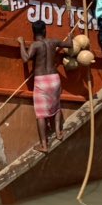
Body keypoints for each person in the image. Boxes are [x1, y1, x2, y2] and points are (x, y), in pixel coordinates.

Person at [18, 22, 72, 152]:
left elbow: (25, 58)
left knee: (41, 114)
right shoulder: (53, 42)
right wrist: (70, 35)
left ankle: (44, 145)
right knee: (56, 106)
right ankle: (59, 133)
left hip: (41, 81)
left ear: (33, 31)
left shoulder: (35, 45)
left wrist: (21, 42)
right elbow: (69, 44)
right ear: (45, 30)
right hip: (54, 79)